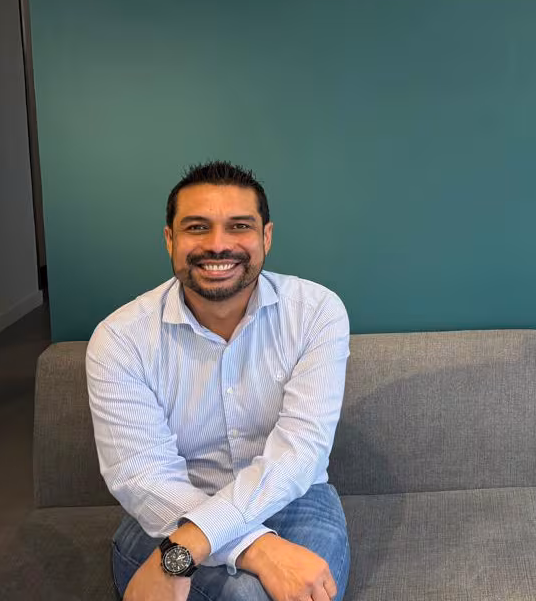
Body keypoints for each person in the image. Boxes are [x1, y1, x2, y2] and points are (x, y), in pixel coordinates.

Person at [86, 161, 351, 601]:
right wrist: (257, 548)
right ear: (170, 239)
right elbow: (143, 477)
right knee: (248, 595)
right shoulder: (120, 339)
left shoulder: (316, 312)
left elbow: (299, 454)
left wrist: (189, 546)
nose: (218, 245)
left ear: (266, 237)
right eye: (197, 227)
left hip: (294, 499)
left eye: (239, 226)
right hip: (169, 510)